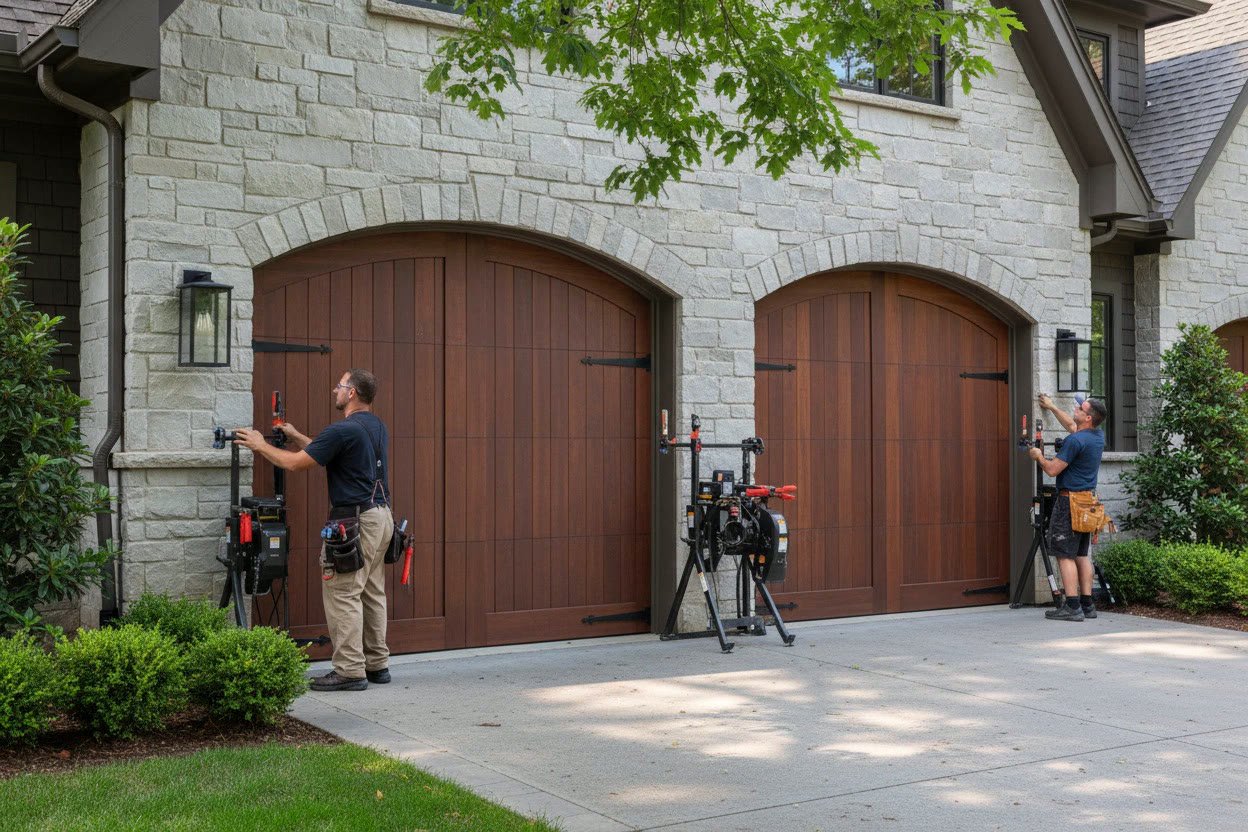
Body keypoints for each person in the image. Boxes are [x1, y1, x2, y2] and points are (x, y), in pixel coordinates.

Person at [234, 368, 393, 690]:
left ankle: (350, 671)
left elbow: (295, 464)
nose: (335, 390)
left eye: (340, 386)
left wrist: (259, 444)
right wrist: (296, 437)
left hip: (355, 521)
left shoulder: (343, 429)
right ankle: (377, 665)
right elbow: (326, 454)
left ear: (351, 393)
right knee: (372, 592)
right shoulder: (374, 425)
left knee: (344, 592)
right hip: (382, 517)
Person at [1030, 392, 1108, 622]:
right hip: (1087, 502)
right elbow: (1072, 426)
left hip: (1069, 502)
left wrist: (1038, 456)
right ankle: (1087, 604)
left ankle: (1071, 606)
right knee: (1082, 555)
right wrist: (1053, 407)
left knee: (1064, 555)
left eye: (1079, 410)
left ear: (1087, 418)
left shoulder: (1075, 441)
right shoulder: (1096, 436)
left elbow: (1053, 470)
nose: (1075, 410)